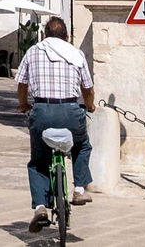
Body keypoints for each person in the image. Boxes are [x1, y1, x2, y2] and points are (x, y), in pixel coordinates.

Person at [14, 17, 94, 233]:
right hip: (70, 111)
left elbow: (22, 83)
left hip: (42, 111)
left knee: (38, 161)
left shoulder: (33, 51)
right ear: (66, 36)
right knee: (82, 146)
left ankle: (40, 207)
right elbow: (87, 88)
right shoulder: (76, 54)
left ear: (44, 35)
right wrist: (90, 106)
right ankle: (79, 189)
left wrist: (23, 104)